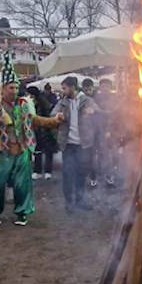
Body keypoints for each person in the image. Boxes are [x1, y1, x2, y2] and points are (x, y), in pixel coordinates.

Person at [0, 59, 62, 225]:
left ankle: (22, 213)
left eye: (16, 87)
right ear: (3, 88)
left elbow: (35, 120)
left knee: (22, 185)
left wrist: (54, 121)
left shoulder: (24, 104)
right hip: (2, 150)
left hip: (21, 149)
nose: (14, 91)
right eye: (11, 87)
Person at [51, 76, 97, 212]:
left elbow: (99, 113)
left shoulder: (87, 100)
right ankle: (69, 202)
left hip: (84, 144)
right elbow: (52, 114)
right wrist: (57, 116)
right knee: (68, 173)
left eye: (64, 88)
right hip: (68, 145)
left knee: (81, 174)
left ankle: (80, 200)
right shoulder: (63, 102)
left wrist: (93, 112)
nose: (63, 91)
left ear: (72, 87)